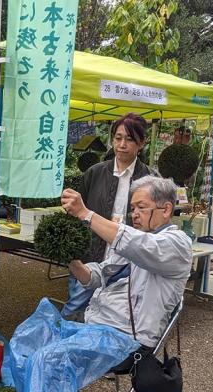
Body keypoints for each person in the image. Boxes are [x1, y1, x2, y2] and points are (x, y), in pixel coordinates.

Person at [18, 176, 192, 392]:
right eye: (132, 208)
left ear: (166, 210)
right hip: (96, 328)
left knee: (51, 356)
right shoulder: (135, 242)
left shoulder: (176, 245)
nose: (134, 214)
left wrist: (86, 214)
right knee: (28, 341)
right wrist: (70, 258)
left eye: (141, 207)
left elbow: (139, 247)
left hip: (126, 340)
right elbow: (96, 276)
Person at [63, 113, 156, 321]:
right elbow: (77, 214)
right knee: (74, 309)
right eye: (118, 138)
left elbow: (155, 225)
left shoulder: (150, 180)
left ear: (141, 143)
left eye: (129, 139)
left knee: (115, 317)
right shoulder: (94, 173)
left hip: (128, 264)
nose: (122, 144)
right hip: (90, 256)